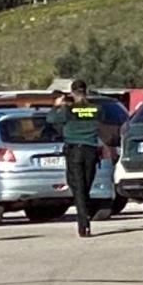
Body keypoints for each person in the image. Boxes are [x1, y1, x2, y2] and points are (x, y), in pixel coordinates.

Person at [47, 79, 107, 238]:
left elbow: (51, 119)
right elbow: (102, 121)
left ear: (73, 92)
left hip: (74, 151)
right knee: (85, 186)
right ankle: (85, 216)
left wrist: (57, 105)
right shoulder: (96, 109)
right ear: (85, 91)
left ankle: (84, 223)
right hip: (91, 151)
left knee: (78, 188)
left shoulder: (68, 110)